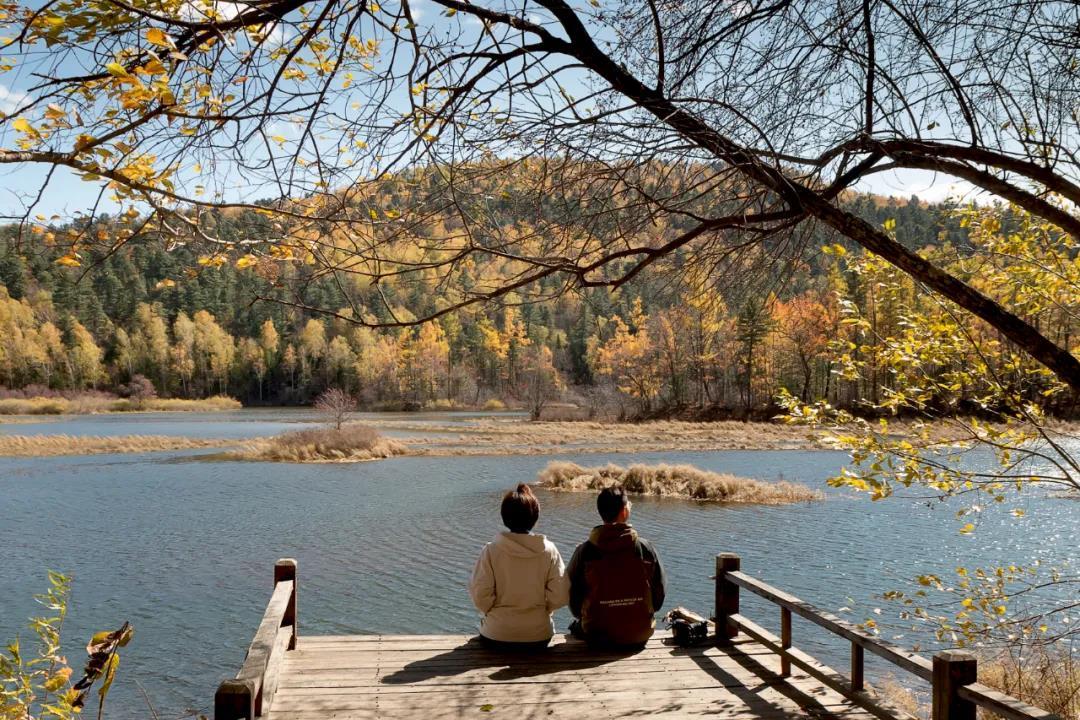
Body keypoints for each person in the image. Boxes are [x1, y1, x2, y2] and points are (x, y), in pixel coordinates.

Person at [469, 483, 569, 650]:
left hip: (497, 634)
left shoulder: (491, 550)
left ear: (504, 516)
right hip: (539, 635)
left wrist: (494, 613)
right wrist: (543, 611)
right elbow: (561, 596)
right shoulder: (549, 550)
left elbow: (480, 595)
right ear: (535, 516)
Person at [566, 486, 666, 648]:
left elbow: (572, 598)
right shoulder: (645, 548)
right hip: (639, 634)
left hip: (596, 635)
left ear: (600, 512)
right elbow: (659, 596)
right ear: (624, 512)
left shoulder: (584, 551)